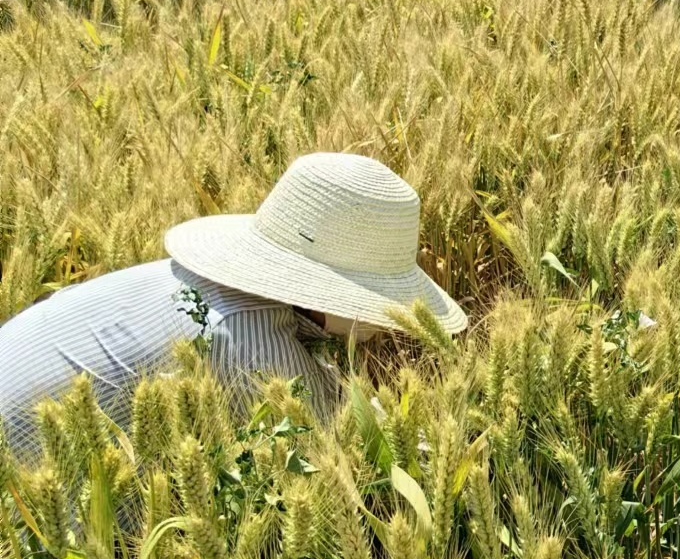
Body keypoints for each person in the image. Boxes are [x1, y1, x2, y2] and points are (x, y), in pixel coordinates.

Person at [0, 152, 468, 465]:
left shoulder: (196, 282)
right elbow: (340, 452)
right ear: (330, 292)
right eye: (379, 300)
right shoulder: (246, 335)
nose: (388, 320)